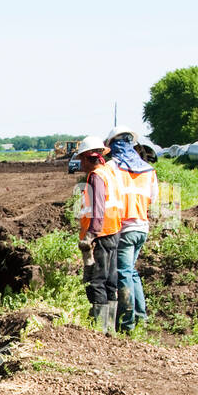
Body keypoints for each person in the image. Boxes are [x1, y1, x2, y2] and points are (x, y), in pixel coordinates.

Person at [105, 128, 159, 332]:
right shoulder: (148, 169)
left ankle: (127, 324)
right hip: (142, 227)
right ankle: (141, 317)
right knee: (132, 272)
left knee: (123, 272)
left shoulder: (112, 167)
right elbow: (152, 199)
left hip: (124, 228)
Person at [75, 135, 124, 335]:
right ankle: (110, 330)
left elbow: (98, 208)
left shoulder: (96, 176)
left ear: (88, 158)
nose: (80, 164)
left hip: (101, 235)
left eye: (81, 159)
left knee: (97, 281)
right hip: (114, 230)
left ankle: (100, 331)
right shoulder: (108, 172)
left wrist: (91, 235)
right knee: (110, 280)